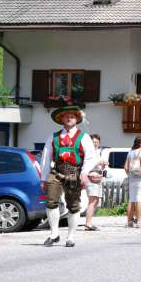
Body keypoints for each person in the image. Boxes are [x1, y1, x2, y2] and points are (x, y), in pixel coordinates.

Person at [40, 106, 97, 247]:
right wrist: (43, 178)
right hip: (56, 172)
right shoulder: (53, 137)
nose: (69, 118)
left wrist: (84, 173)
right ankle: (54, 234)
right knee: (51, 202)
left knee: (73, 206)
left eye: (72, 116)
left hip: (75, 173)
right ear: (61, 119)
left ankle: (71, 236)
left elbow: (91, 157)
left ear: (77, 119)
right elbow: (46, 158)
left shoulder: (84, 137)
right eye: (66, 116)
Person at [125, 136, 141, 228]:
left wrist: (130, 175)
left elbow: (126, 168)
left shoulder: (130, 153)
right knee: (139, 200)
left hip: (132, 178)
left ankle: (129, 221)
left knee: (132, 199)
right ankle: (139, 221)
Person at [85, 134, 108, 231]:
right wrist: (98, 163)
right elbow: (87, 165)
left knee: (96, 200)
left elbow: (100, 166)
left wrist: (103, 165)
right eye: (93, 142)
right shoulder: (88, 152)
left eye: (97, 142)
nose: (95, 143)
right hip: (91, 176)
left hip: (98, 176)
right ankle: (88, 224)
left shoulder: (98, 152)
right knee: (92, 200)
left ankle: (89, 222)